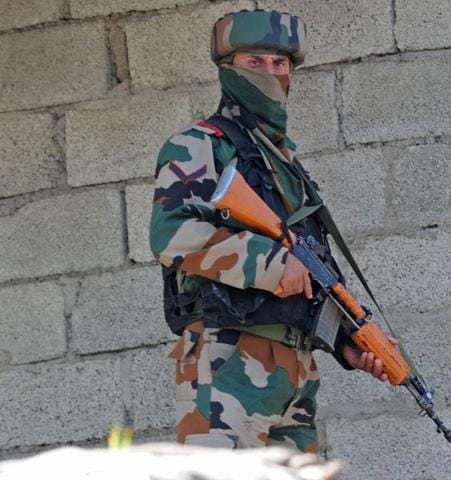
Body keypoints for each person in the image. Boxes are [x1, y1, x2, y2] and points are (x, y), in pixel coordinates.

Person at [149, 9, 393, 453]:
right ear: (228, 70)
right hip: (228, 365)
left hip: (294, 372)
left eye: (279, 64)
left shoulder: (284, 164)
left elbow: (312, 272)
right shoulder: (199, 144)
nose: (269, 72)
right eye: (254, 62)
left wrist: (345, 344)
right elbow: (171, 234)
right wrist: (270, 262)